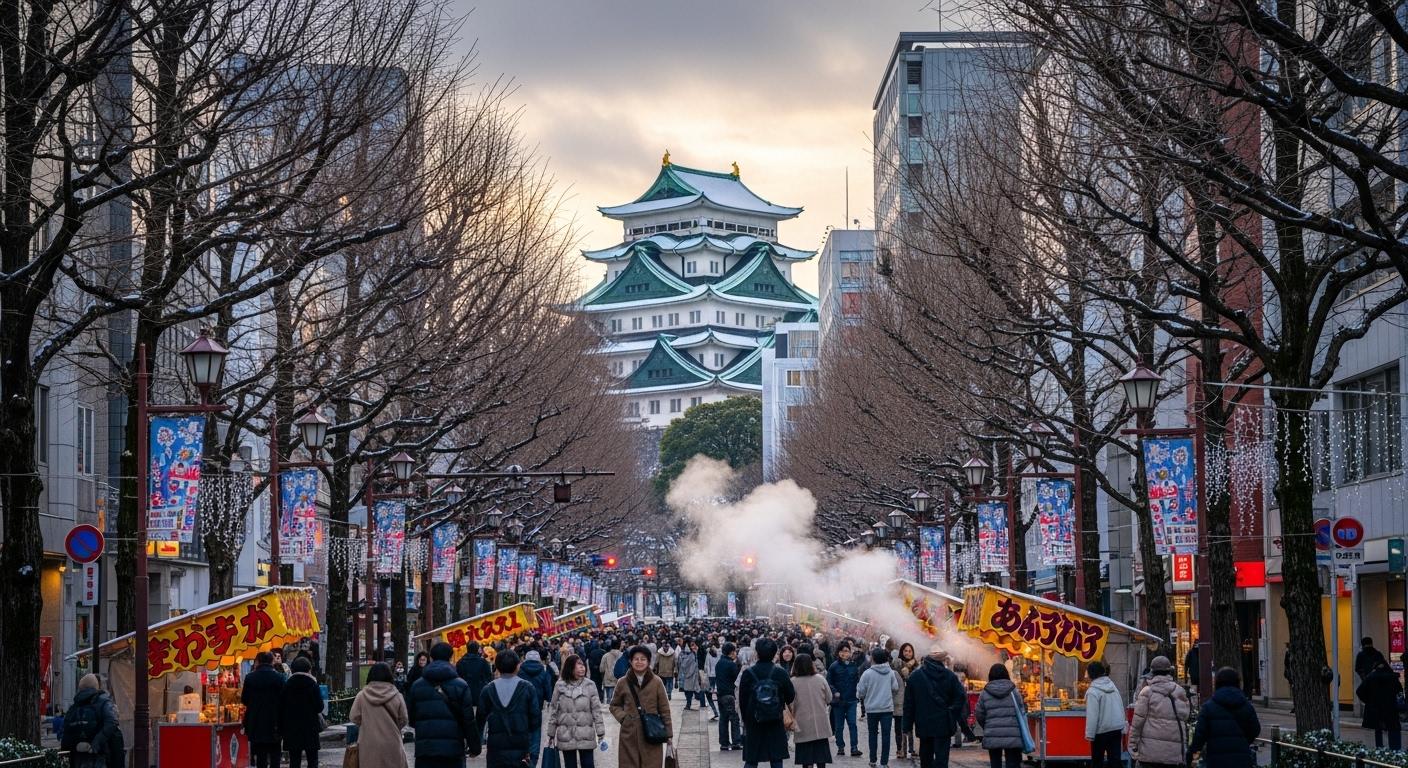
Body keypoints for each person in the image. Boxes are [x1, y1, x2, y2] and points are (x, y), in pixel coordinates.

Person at [409, 641, 480, 768]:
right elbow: (468, 720)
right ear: (450, 657)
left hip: (425, 750)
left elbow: (412, 719)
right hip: (453, 750)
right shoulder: (461, 685)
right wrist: (474, 747)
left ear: (431, 658)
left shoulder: (417, 686)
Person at [477, 650, 543, 768]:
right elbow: (535, 723)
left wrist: (476, 746)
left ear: (497, 666)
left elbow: (480, 721)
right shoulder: (528, 688)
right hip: (521, 748)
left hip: (495, 749)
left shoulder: (487, 689)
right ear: (518, 666)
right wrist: (533, 752)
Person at [610, 646, 673, 768]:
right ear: (630, 661)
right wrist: (624, 718)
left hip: (652, 734)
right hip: (629, 735)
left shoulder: (657, 682)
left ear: (649, 661)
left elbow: (664, 709)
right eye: (636, 659)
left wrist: (668, 734)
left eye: (643, 659)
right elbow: (614, 705)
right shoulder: (622, 682)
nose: (639, 662)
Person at [902, 646, 965, 768]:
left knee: (926, 758)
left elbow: (909, 704)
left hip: (923, 723)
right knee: (942, 759)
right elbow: (960, 697)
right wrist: (951, 711)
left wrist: (907, 726)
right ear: (942, 661)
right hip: (943, 724)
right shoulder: (950, 676)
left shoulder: (915, 677)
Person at [739, 637, 797, 768]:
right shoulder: (780, 672)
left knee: (751, 760)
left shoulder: (748, 673)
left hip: (754, 721)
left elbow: (742, 700)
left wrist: (745, 719)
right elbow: (791, 696)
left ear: (757, 653)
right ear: (774, 654)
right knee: (776, 759)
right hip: (775, 719)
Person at [1188, 667, 1260, 768]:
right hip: (1241, 760)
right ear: (1237, 683)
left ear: (1217, 684)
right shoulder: (1246, 706)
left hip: (1216, 760)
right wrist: (1242, 741)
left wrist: (1189, 757)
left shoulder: (1208, 707)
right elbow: (1255, 730)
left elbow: (1199, 737)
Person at [546, 655, 607, 768]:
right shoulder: (560, 686)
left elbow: (596, 710)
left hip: (586, 734)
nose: (582, 668)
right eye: (578, 665)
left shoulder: (590, 685)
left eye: (582, 665)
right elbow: (554, 710)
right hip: (566, 734)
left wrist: (600, 732)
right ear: (570, 667)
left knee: (588, 764)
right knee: (570, 765)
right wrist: (551, 733)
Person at [1130, 656, 1191, 768]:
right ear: (1169, 671)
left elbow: (1137, 722)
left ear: (1152, 672)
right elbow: (1185, 716)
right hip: (1173, 753)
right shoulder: (1179, 691)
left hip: (1150, 752)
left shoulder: (1147, 692)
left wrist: (1133, 744)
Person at [351, 662, 410, 768]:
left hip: (368, 743)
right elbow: (404, 719)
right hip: (392, 742)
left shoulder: (362, 695)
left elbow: (354, 717)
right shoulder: (397, 695)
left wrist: (367, 724)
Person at [61, 674, 120, 768]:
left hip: (78, 756)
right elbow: (112, 722)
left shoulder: (74, 707)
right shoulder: (104, 702)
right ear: (97, 686)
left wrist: (75, 745)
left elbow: (65, 731)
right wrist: (95, 744)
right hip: (100, 754)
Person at [974, 664, 1025, 768]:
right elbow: (1022, 710)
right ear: (1006, 674)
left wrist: (987, 725)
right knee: (1012, 763)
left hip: (992, 733)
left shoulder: (985, 693)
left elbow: (979, 713)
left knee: (995, 763)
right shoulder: (1014, 691)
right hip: (1012, 734)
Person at [857, 648, 900, 768]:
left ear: (874, 659)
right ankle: (884, 763)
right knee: (886, 736)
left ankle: (873, 760)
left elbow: (860, 692)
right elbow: (895, 687)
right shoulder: (890, 672)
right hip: (887, 709)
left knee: (872, 734)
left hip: (872, 709)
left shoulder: (867, 673)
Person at [278, 657, 325, 768]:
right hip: (310, 728)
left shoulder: (287, 686)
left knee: (294, 760)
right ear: (309, 669)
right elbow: (319, 707)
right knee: (312, 760)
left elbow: (281, 708)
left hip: (292, 729)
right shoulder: (313, 685)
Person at [242, 651, 286, 768]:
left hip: (256, 722)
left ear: (258, 662)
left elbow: (245, 699)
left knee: (260, 756)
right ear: (272, 661)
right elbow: (283, 700)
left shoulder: (250, 678)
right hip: (275, 722)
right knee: (275, 755)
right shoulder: (279, 678)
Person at [790, 652, 834, 768]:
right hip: (820, 723)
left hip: (802, 724)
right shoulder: (820, 679)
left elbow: (790, 703)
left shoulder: (793, 681)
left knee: (806, 759)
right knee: (821, 756)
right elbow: (829, 698)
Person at [1084, 661, 1125, 768]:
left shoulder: (1092, 691)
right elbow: (1120, 705)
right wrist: (1122, 725)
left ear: (1090, 674)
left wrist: (1090, 735)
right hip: (1116, 729)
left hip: (1101, 732)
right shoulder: (1112, 686)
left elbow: (1092, 716)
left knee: (1098, 761)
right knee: (1115, 760)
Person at [520, 650, 556, 768]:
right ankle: (532, 761)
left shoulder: (519, 671)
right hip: (537, 707)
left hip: (521, 708)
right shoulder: (544, 671)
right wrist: (548, 698)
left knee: (523, 731)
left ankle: (523, 756)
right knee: (535, 733)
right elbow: (548, 690)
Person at [1357, 660, 1403, 751]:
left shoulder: (1370, 677)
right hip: (1391, 711)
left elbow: (1359, 691)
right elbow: (1399, 693)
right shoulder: (1393, 678)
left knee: (1377, 734)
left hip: (1374, 712)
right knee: (1393, 734)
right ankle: (1394, 755)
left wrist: (1368, 701)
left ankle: (1378, 754)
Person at [827, 644, 862, 757]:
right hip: (838, 701)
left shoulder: (853, 665)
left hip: (851, 700)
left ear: (850, 652)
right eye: (842, 651)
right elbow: (829, 682)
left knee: (852, 724)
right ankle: (840, 747)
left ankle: (854, 747)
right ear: (838, 652)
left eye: (847, 651)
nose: (844, 653)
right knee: (839, 726)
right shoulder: (833, 666)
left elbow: (858, 680)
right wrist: (834, 691)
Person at [455, 641, 493, 723]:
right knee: (481, 720)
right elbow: (489, 677)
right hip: (480, 694)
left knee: (467, 720)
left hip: (465, 694)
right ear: (477, 649)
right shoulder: (483, 662)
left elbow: (457, 678)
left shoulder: (460, 663)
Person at [891, 644, 918, 761]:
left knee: (912, 726)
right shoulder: (896, 664)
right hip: (899, 699)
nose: (907, 653)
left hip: (913, 700)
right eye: (905, 651)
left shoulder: (917, 666)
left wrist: (908, 675)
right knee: (899, 727)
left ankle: (913, 749)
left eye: (910, 651)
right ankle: (900, 749)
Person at [717, 642, 744, 751]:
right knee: (734, 718)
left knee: (723, 719)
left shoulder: (719, 663)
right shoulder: (731, 664)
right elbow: (736, 678)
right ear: (732, 652)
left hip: (720, 694)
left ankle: (724, 743)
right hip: (730, 695)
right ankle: (736, 742)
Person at [678, 639, 704, 711]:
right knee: (691, 691)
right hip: (691, 675)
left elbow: (681, 664)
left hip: (688, 676)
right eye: (692, 645)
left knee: (689, 691)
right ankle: (693, 703)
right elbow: (692, 665)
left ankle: (689, 704)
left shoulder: (683, 654)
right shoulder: (692, 654)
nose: (693, 646)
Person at [601, 640, 624, 706]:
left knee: (609, 700)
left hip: (608, 679)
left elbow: (601, 669)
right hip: (620, 680)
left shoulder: (605, 656)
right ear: (619, 646)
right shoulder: (622, 655)